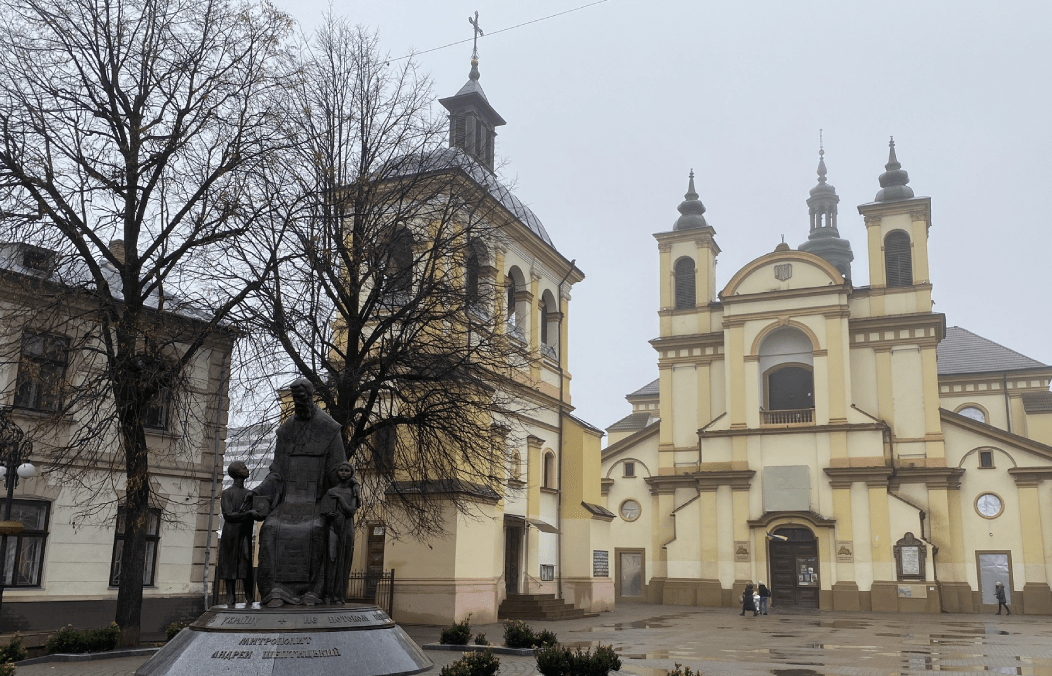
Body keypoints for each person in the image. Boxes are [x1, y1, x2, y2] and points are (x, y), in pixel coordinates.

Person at [252, 377, 348, 607]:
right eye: (296, 399)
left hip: (316, 502)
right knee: (271, 529)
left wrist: (340, 493)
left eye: (303, 398)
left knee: (316, 529)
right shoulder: (286, 431)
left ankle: (312, 592)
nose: (299, 403)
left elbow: (338, 471)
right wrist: (257, 491)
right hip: (287, 503)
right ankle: (275, 590)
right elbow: (276, 473)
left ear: (311, 396)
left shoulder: (329, 428)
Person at [216, 461, 259, 605]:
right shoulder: (227, 493)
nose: (247, 470)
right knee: (230, 564)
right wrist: (248, 513)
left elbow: (257, 513)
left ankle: (249, 596)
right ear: (237, 473)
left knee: (246, 563)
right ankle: (230, 596)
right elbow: (228, 515)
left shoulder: (249, 494)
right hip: (231, 535)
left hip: (245, 534)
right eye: (244, 468)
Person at [321, 461, 362, 604]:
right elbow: (324, 510)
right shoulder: (330, 491)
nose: (344, 473)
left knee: (344, 562)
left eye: (347, 470)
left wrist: (340, 499)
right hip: (333, 529)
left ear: (351, 474)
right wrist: (327, 515)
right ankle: (328, 594)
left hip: (347, 528)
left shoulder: (352, 492)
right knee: (331, 561)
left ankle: (340, 596)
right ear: (337, 473)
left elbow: (351, 511)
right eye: (341, 470)